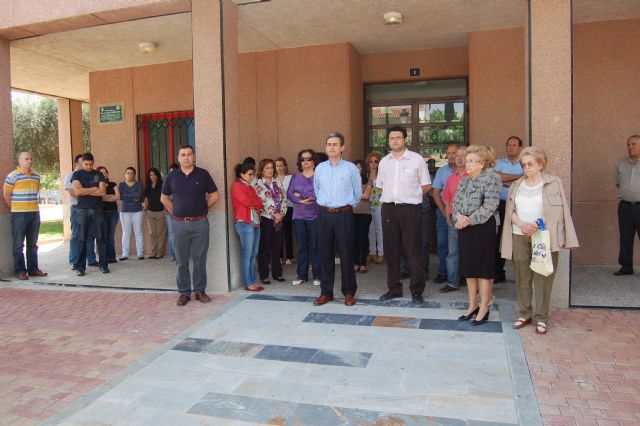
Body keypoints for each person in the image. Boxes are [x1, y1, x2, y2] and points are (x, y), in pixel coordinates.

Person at [501, 147, 578, 334]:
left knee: (544, 277)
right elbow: (510, 210)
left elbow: (557, 211)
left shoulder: (553, 183)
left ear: (540, 164)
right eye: (523, 164)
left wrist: (535, 225)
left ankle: (542, 317)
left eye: (530, 164)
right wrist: (521, 224)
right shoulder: (517, 185)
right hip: (520, 234)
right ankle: (524, 313)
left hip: (543, 236)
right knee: (522, 277)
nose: (526, 167)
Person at [377, 126, 432, 304]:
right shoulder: (384, 161)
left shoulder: (416, 160)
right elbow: (380, 186)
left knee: (413, 250)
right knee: (391, 250)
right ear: (388, 141)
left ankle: (416, 290)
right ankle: (393, 289)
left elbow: (426, 186)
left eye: (398, 138)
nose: (395, 141)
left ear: (405, 139)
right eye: (392, 138)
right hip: (389, 208)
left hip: (410, 209)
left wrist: (411, 198)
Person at [161, 144, 219, 306]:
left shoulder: (203, 174)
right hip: (179, 225)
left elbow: (215, 195)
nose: (186, 157)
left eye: (189, 154)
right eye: (183, 155)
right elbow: (164, 198)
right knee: (182, 260)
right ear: (178, 158)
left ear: (194, 156)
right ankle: (184, 293)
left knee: (200, 258)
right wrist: (175, 212)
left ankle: (199, 291)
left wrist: (203, 208)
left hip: (200, 223)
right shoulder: (172, 177)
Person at [453, 146, 501, 325]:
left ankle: (484, 307)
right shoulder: (464, 181)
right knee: (469, 269)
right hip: (464, 227)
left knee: (483, 271)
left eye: (472, 161)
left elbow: (490, 206)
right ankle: (472, 304)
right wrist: (458, 217)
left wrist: (468, 220)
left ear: (482, 163)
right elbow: (456, 203)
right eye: (467, 160)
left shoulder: (491, 178)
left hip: (483, 228)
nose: (468, 164)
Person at [313, 131, 362, 306]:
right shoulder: (319, 168)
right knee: (325, 254)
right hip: (324, 214)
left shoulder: (350, 168)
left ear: (342, 147)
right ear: (326, 147)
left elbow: (357, 193)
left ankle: (349, 292)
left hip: (344, 215)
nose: (331, 147)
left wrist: (346, 207)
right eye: (329, 144)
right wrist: (327, 206)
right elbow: (317, 190)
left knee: (347, 254)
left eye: (335, 144)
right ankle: (326, 292)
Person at [3, 152, 47, 280]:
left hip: (34, 213)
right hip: (19, 214)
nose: (29, 161)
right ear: (20, 161)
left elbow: (36, 192)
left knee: (33, 243)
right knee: (18, 244)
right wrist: (14, 208)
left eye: (31, 159)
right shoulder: (12, 176)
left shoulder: (36, 176)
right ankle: (20, 271)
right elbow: (6, 194)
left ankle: (33, 269)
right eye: (26, 159)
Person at [71, 152, 109, 276]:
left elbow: (102, 191)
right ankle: (80, 267)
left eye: (91, 164)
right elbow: (77, 191)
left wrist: (85, 190)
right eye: (86, 164)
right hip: (82, 210)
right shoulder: (77, 174)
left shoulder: (99, 174)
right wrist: (94, 188)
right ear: (82, 162)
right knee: (81, 239)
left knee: (101, 238)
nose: (88, 166)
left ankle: (103, 265)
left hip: (97, 209)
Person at [287, 149, 321, 286]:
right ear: (300, 162)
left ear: (313, 161)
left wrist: (299, 194)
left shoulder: (319, 176)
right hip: (298, 216)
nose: (305, 161)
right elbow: (290, 193)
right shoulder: (295, 177)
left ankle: (318, 276)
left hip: (315, 215)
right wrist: (301, 200)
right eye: (303, 159)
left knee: (315, 246)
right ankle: (302, 275)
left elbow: (319, 193)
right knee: (302, 247)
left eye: (308, 158)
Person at [494, 136, 524, 282]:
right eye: (509, 145)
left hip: (518, 206)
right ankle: (499, 272)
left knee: (518, 237)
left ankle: (521, 273)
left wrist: (506, 179)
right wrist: (519, 178)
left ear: (520, 148)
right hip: (500, 205)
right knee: (498, 238)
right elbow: (496, 179)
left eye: (514, 145)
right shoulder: (498, 162)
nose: (511, 147)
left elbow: (526, 178)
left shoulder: (524, 163)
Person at [231, 161, 264, 292]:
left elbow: (259, 203)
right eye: (250, 174)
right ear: (242, 174)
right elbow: (246, 201)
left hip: (254, 222)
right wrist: (254, 203)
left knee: (253, 253)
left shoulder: (250, 187)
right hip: (244, 222)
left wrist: (254, 203)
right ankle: (248, 282)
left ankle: (252, 281)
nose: (252, 177)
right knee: (247, 253)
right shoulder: (237, 186)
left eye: (253, 174)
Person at [254, 158, 288, 284]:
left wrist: (282, 214)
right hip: (266, 218)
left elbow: (284, 198)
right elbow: (259, 202)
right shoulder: (257, 184)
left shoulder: (277, 182)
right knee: (264, 247)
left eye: (272, 167)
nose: (270, 170)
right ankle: (264, 275)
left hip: (279, 219)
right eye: (267, 168)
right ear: (262, 170)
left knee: (277, 246)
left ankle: (277, 274)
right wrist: (273, 213)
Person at [440, 146, 468, 293]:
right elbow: (446, 201)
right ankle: (452, 282)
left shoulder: (473, 177)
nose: (459, 157)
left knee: (470, 251)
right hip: (453, 220)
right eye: (457, 155)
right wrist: (447, 218)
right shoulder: (451, 178)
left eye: (463, 155)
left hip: (471, 220)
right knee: (453, 252)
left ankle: (471, 281)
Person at [431, 144, 459, 284]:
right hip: (443, 212)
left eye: (455, 153)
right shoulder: (442, 171)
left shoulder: (465, 170)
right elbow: (436, 193)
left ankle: (459, 275)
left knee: (459, 246)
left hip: (460, 215)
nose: (452, 155)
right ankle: (443, 272)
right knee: (443, 244)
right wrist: (444, 212)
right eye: (449, 153)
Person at [65, 154, 97, 269]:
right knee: (77, 235)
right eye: (82, 162)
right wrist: (91, 191)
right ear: (77, 164)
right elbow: (74, 193)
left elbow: (100, 190)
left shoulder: (91, 175)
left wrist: (84, 191)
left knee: (90, 234)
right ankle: (74, 261)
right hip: (76, 209)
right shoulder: (71, 175)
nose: (85, 165)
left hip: (90, 208)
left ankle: (91, 259)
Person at [614, 135, 640, 276]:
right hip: (625, 207)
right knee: (625, 238)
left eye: (634, 144)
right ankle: (626, 267)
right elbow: (618, 183)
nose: (630, 147)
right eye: (628, 144)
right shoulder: (622, 163)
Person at [118, 167, 145, 261]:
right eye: (128, 173)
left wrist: (129, 196)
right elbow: (122, 196)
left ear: (134, 175)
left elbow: (139, 195)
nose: (130, 175)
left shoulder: (139, 184)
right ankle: (124, 254)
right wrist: (134, 198)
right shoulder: (121, 185)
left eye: (132, 173)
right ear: (125, 175)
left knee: (138, 232)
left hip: (137, 211)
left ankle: (140, 254)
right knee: (126, 233)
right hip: (125, 211)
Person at [96, 166, 119, 264]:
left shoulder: (113, 184)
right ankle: (104, 258)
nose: (104, 174)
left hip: (113, 213)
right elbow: (100, 198)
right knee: (103, 236)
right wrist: (111, 197)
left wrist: (106, 197)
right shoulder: (97, 186)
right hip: (102, 213)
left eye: (105, 172)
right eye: (101, 173)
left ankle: (112, 258)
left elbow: (118, 196)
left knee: (110, 236)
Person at [353, 160, 372, 273]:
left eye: (359, 167)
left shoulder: (368, 180)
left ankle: (363, 262)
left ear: (363, 169)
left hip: (365, 212)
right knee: (354, 238)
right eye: (355, 167)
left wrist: (353, 194)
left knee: (363, 237)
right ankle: (356, 262)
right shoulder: (349, 180)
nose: (357, 169)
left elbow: (366, 196)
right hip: (352, 212)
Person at [145, 167, 167, 259]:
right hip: (150, 212)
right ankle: (153, 252)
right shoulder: (148, 186)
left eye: (154, 174)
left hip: (160, 212)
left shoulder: (162, 185)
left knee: (160, 234)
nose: (152, 176)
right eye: (150, 175)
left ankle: (160, 253)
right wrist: (145, 210)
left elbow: (166, 198)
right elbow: (146, 199)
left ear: (157, 175)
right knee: (152, 233)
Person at [366, 152, 384, 264]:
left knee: (379, 229)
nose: (373, 163)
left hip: (380, 205)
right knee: (370, 230)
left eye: (375, 161)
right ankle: (372, 252)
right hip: (367, 205)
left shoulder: (382, 175)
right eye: (371, 161)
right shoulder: (365, 175)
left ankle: (381, 253)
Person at [276, 157, 294, 266]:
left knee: (288, 232)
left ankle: (289, 257)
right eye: (277, 166)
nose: (279, 168)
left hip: (289, 207)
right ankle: (280, 256)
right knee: (278, 232)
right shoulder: (273, 179)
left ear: (285, 166)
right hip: (277, 209)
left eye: (281, 165)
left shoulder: (290, 178)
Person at [164, 163, 179, 261]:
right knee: (171, 234)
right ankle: (172, 255)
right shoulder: (166, 183)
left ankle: (180, 254)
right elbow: (164, 199)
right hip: (169, 212)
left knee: (180, 234)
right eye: (170, 172)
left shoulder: (181, 182)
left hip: (180, 212)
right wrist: (171, 212)